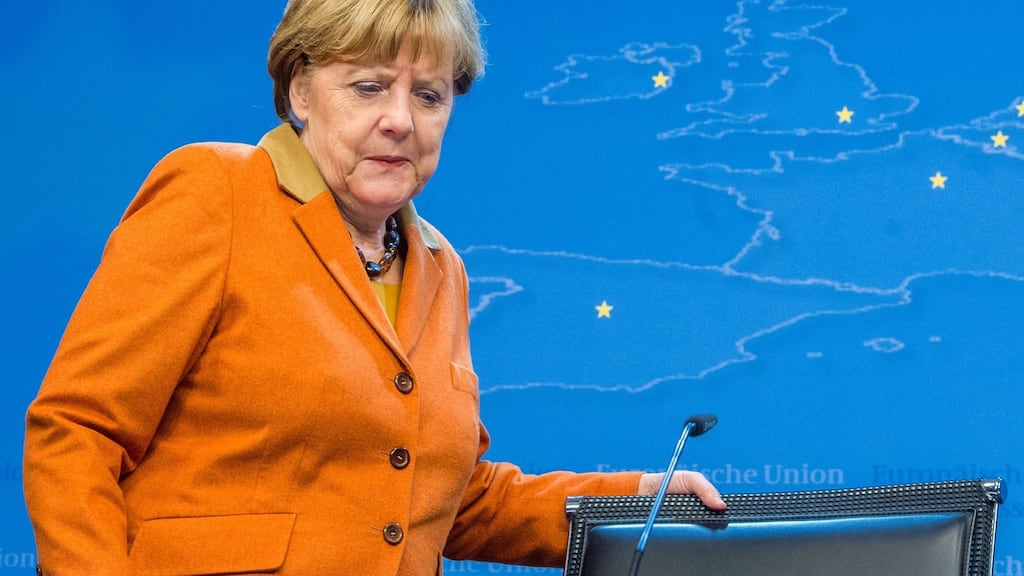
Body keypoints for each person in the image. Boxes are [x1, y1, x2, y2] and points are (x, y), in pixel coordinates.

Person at [22, 0, 726, 574]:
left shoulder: (439, 264)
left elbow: (448, 499)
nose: (400, 119)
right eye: (368, 86)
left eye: (429, 95)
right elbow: (76, 434)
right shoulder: (218, 193)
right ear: (301, 91)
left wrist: (638, 500)